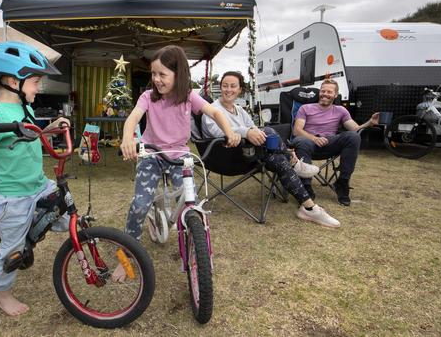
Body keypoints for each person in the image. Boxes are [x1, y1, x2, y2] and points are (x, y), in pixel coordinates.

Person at [113, 45, 241, 281]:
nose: (156, 79)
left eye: (162, 74)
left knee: (188, 200)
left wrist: (229, 131)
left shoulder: (189, 96)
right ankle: (127, 254)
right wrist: (127, 139)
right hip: (151, 154)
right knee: (141, 203)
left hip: (178, 155)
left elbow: (215, 112)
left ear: (178, 74)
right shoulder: (148, 97)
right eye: (154, 74)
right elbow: (132, 119)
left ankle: (194, 243)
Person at [0, 41, 70, 317]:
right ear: (13, 80)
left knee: (63, 206)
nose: (38, 88)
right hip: (13, 194)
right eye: (35, 82)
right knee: (12, 251)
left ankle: (35, 231)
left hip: (37, 183)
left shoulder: (26, 108)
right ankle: (3, 294)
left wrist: (49, 129)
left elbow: (30, 135)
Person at [201, 71, 339, 228]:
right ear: (220, 88)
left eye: (233, 86)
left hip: (249, 153)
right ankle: (293, 160)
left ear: (240, 90)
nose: (228, 89)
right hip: (226, 156)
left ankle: (309, 207)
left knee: (278, 158)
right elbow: (216, 132)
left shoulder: (239, 109)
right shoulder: (211, 109)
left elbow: (253, 125)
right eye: (225, 86)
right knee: (268, 132)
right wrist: (246, 132)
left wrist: (253, 131)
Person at [291, 78, 379, 206]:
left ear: (335, 95)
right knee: (302, 141)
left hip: (329, 143)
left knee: (353, 137)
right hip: (307, 143)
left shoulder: (341, 110)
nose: (325, 94)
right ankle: (305, 186)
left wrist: (369, 123)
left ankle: (342, 182)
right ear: (319, 92)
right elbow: (297, 131)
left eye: (329, 92)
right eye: (323, 91)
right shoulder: (306, 108)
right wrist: (314, 138)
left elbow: (355, 129)